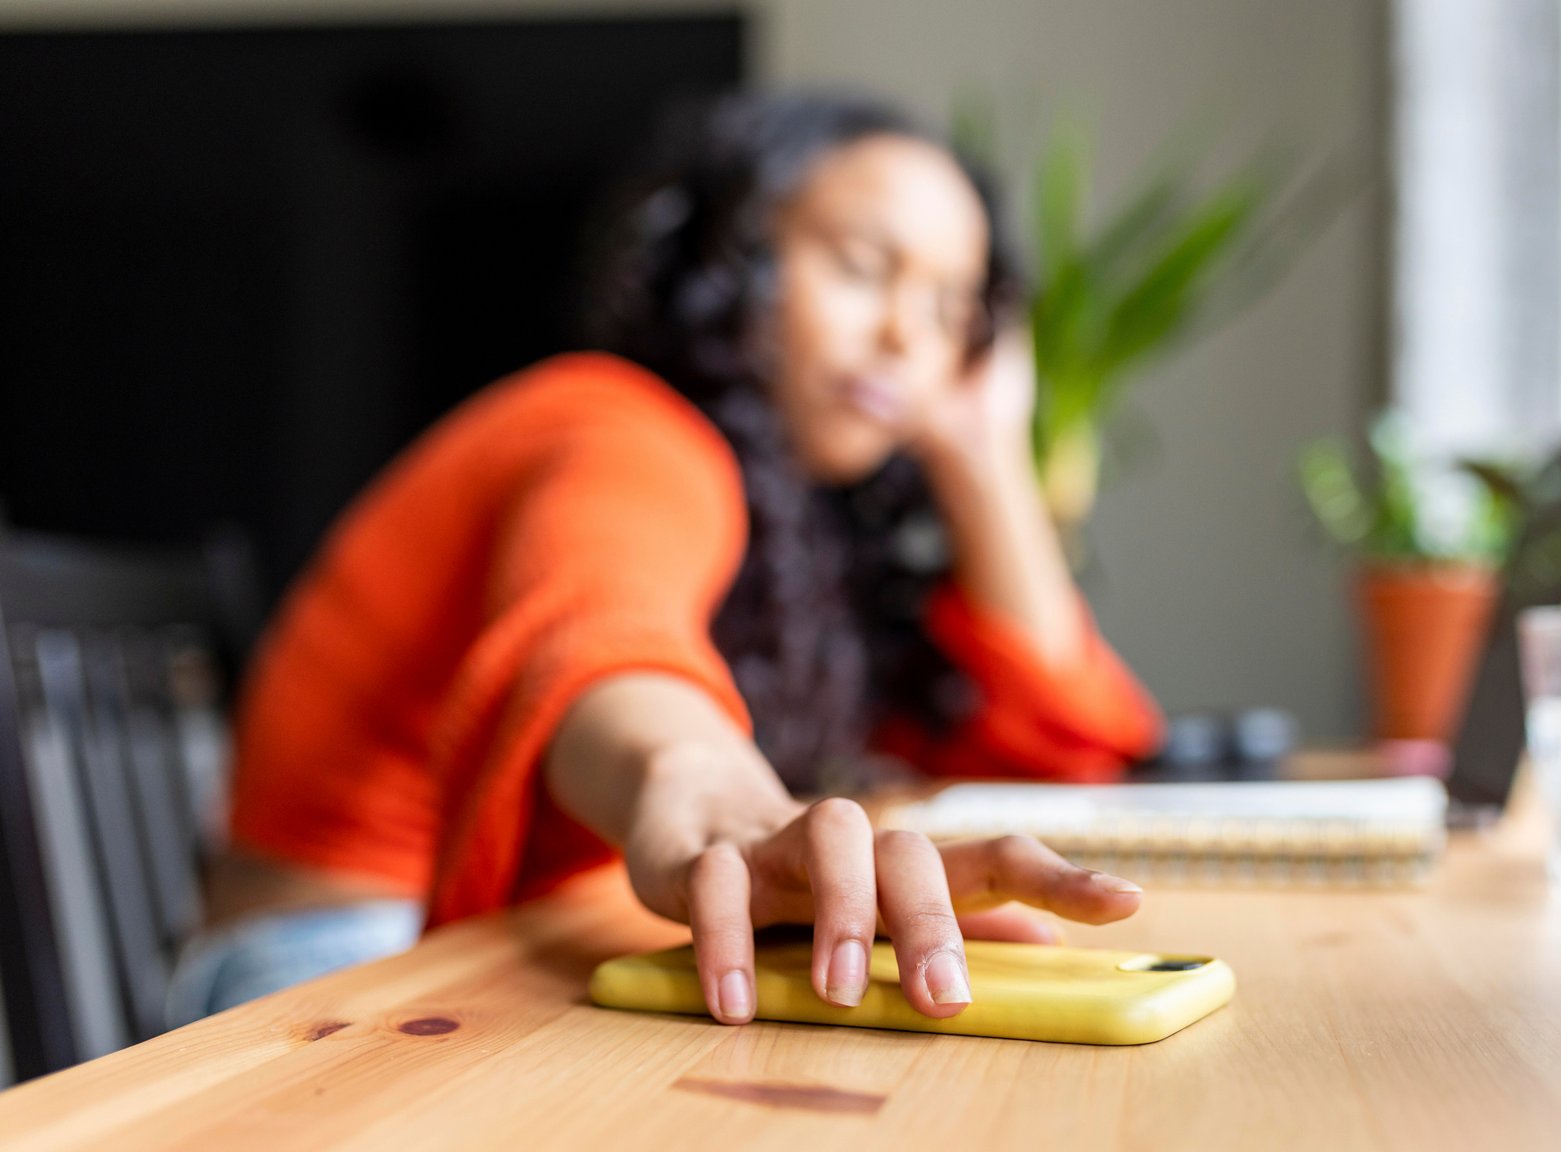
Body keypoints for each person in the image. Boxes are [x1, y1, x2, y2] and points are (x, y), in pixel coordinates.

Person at [167, 92, 1162, 1029]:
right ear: (730, 266)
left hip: (492, 940)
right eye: (862, 267)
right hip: (334, 962)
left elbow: (1069, 756)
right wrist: (714, 801)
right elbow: (597, 636)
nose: (908, 335)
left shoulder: (801, 534)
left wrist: (985, 452)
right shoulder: (619, 428)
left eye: (951, 310)